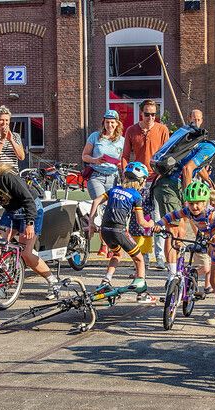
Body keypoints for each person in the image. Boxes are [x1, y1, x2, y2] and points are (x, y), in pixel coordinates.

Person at [0, 148, 61, 299]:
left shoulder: (6, 176)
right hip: (11, 211)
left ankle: (53, 281)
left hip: (30, 209)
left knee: (26, 254)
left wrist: (29, 223)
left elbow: (28, 199)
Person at [151, 126, 215, 278]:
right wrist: (188, 199)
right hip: (170, 186)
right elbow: (187, 169)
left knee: (181, 231)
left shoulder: (206, 146)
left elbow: (198, 168)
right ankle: (172, 276)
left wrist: (212, 184)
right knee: (173, 231)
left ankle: (177, 271)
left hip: (171, 185)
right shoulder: (211, 148)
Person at [153, 181, 215, 326]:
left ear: (205, 203)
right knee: (203, 258)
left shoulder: (212, 215)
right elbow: (171, 215)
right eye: (191, 203)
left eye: (198, 203)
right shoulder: (188, 211)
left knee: (214, 282)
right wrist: (158, 224)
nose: (194, 207)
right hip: (211, 244)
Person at [87, 162, 156, 303]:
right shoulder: (136, 196)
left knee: (117, 254)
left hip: (105, 231)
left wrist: (91, 223)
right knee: (139, 259)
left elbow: (95, 201)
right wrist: (152, 223)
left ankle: (105, 282)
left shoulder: (113, 190)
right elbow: (141, 222)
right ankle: (141, 293)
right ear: (141, 181)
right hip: (119, 231)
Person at [122, 100, 170, 269]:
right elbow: (125, 155)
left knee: (157, 218)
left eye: (154, 114)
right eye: (147, 114)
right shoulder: (131, 130)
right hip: (138, 182)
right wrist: (125, 174)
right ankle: (144, 257)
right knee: (140, 220)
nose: (150, 117)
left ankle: (160, 257)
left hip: (157, 179)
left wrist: (163, 174)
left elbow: (167, 154)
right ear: (140, 113)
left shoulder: (162, 129)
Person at [82, 109, 125, 256]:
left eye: (112, 122)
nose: (110, 125)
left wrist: (120, 165)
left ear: (117, 123)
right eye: (107, 122)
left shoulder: (121, 140)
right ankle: (96, 232)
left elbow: (123, 159)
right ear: (103, 122)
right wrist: (95, 160)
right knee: (99, 203)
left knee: (110, 210)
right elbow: (84, 156)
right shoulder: (95, 137)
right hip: (96, 176)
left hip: (113, 177)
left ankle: (105, 242)